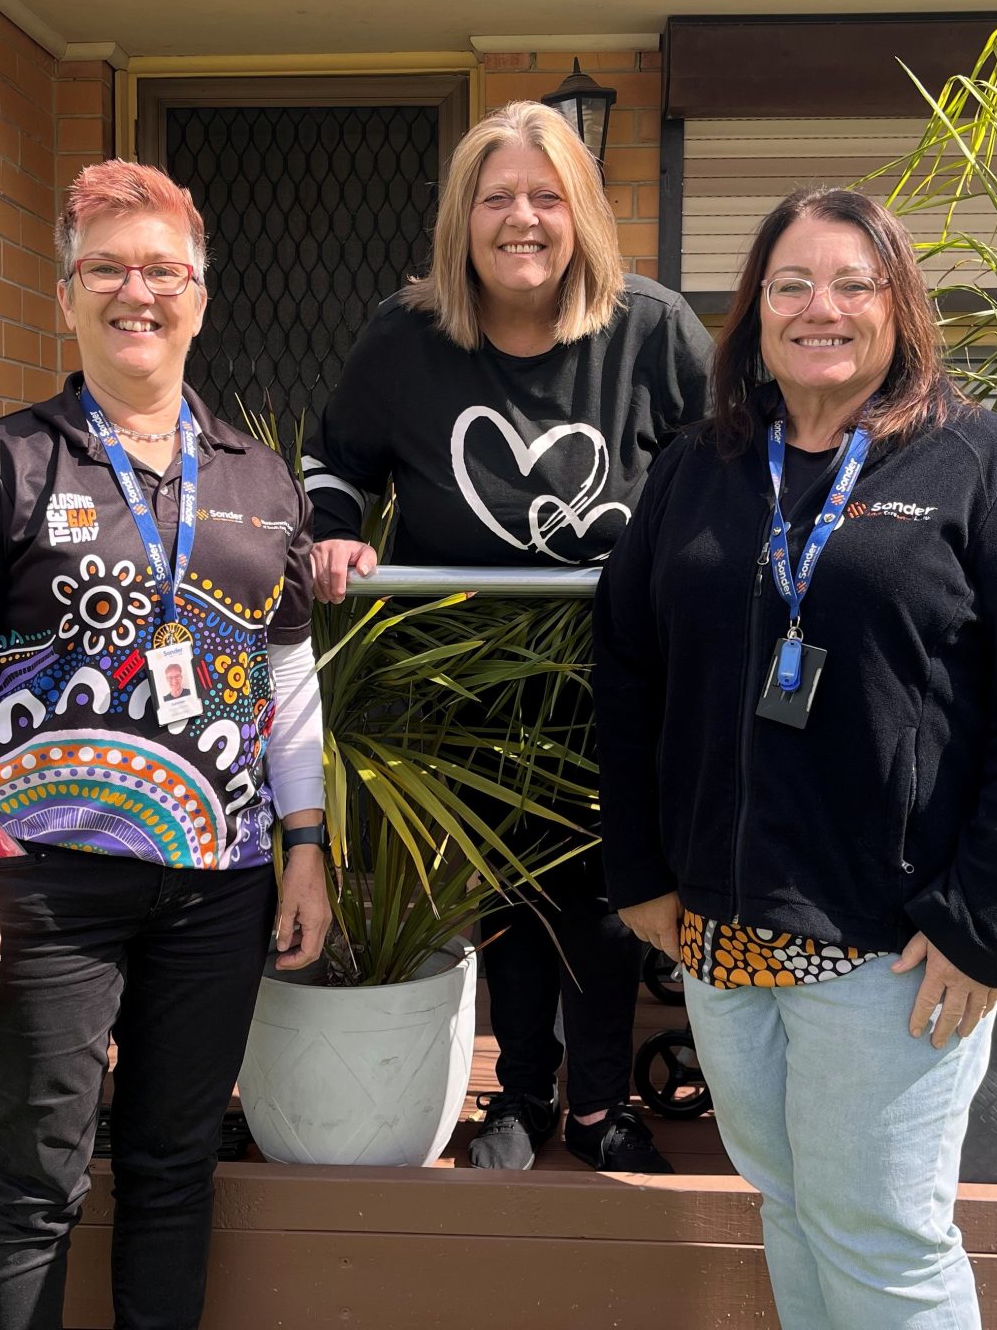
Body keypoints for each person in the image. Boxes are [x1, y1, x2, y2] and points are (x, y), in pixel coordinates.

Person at [593, 187, 997, 1327]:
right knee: (788, 1206)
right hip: (721, 940)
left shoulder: (970, 464)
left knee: (883, 1239)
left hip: (891, 954)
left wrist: (982, 920)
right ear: (753, 314)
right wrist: (638, 871)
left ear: (897, 307)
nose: (816, 308)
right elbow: (626, 672)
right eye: (789, 284)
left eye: (849, 283)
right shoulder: (699, 470)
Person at [0, 161, 332, 1330]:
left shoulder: (259, 479)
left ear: (200, 296)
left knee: (176, 1174)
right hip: (39, 888)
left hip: (216, 890)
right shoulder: (4, 463)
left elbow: (286, 677)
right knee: (32, 1183)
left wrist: (305, 843)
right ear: (66, 294)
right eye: (106, 268)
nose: (137, 292)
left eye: (161, 269)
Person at [302, 101, 712, 1174]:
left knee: (617, 899)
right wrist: (337, 533)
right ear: (460, 217)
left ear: (579, 212)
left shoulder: (653, 331)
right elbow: (334, 462)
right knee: (512, 897)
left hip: (619, 678)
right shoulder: (405, 336)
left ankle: (600, 1107)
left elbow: (723, 477)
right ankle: (520, 1101)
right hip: (466, 681)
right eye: (496, 198)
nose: (520, 219)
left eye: (544, 196)